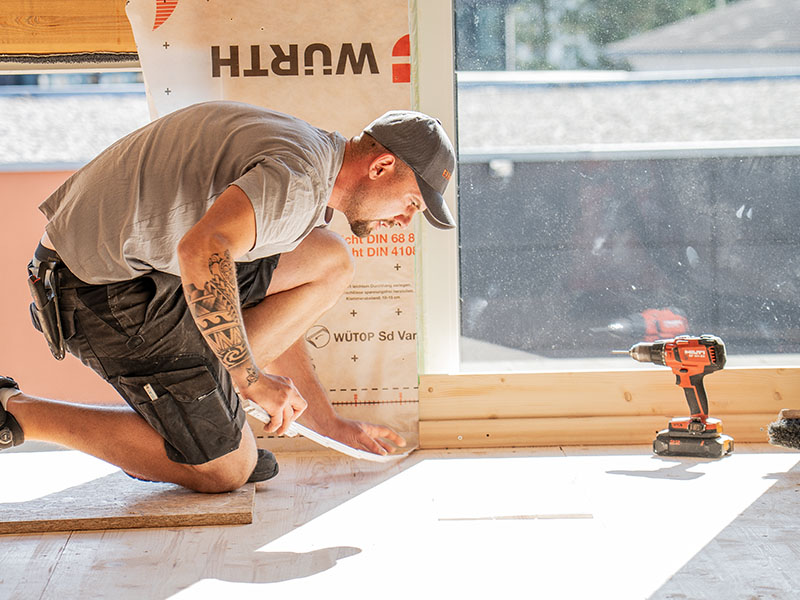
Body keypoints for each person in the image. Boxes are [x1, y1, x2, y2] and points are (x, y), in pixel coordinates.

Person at [0, 101, 455, 493]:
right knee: (227, 471)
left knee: (327, 258)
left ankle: (209, 412)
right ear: (381, 167)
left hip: (150, 270)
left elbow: (251, 290)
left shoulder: (314, 162)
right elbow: (202, 250)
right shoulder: (296, 182)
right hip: (96, 288)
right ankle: (17, 412)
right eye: (412, 203)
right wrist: (250, 376)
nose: (404, 220)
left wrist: (324, 421)